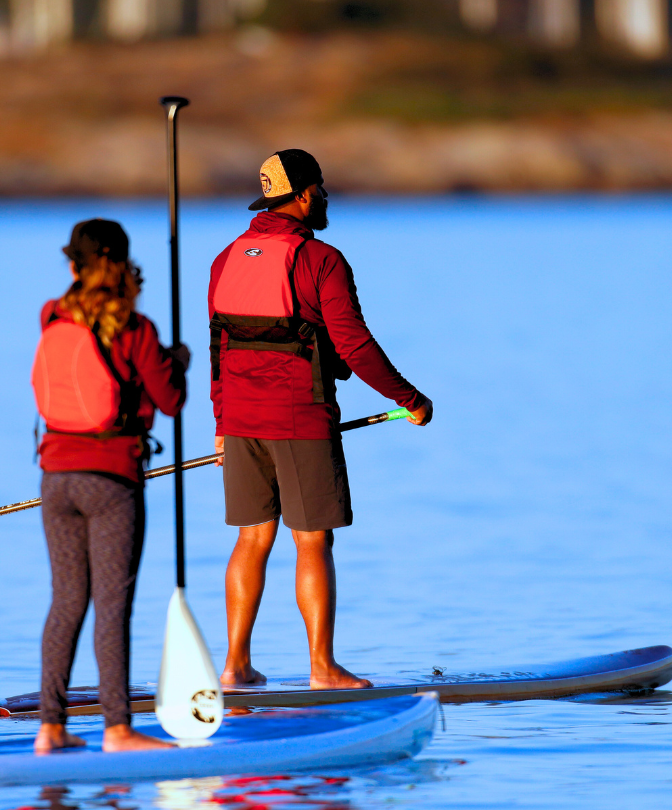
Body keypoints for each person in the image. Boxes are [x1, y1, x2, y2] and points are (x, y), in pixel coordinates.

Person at [209, 149, 432, 690]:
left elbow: (218, 347)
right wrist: (411, 398)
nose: (327, 197)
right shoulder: (322, 260)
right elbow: (354, 345)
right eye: (323, 188)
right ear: (305, 195)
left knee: (251, 538)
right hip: (299, 417)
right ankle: (322, 668)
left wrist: (220, 420)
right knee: (312, 542)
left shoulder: (225, 257)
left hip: (238, 419)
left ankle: (235, 667)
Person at [32, 219, 189, 752]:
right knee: (111, 606)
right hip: (111, 482)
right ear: (122, 265)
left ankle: (50, 727)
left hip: (55, 478)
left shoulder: (50, 315)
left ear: (74, 266)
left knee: (66, 603)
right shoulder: (135, 329)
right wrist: (178, 363)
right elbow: (171, 401)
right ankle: (118, 728)